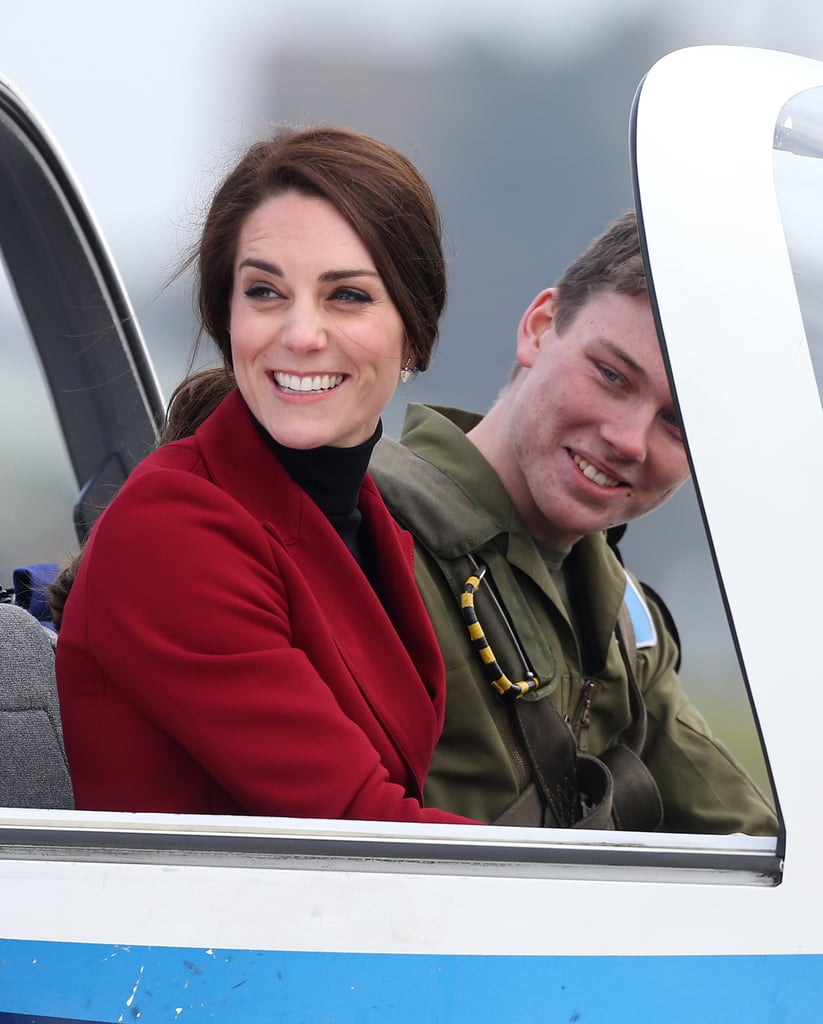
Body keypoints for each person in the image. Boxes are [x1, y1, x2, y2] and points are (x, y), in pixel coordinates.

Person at [54, 126, 478, 826]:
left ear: (414, 332)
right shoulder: (172, 532)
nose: (301, 334)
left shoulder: (374, 525)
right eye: (265, 292)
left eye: (345, 295)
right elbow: (357, 826)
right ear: (228, 320)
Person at [370, 211, 778, 835]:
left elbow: (750, 843)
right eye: (612, 376)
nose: (627, 440)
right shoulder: (360, 536)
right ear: (538, 329)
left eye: (678, 423)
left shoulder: (626, 622)